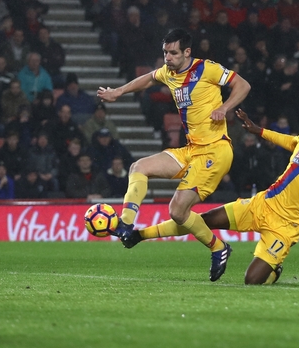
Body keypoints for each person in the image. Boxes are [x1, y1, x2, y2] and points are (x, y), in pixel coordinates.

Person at [122, 103, 299, 284]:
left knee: (251, 281)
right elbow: (291, 141)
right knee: (203, 220)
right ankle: (141, 235)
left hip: (286, 225)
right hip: (263, 204)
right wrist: (258, 130)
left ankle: (274, 270)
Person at [97, 28, 251, 281]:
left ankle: (218, 247)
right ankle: (126, 224)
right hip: (191, 149)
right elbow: (148, 78)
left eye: (173, 53)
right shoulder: (168, 72)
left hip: (215, 150)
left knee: (177, 211)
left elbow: (243, 85)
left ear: (187, 52)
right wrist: (118, 92)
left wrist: (225, 108)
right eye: (165, 52)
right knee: (139, 167)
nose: (167, 58)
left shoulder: (207, 69)